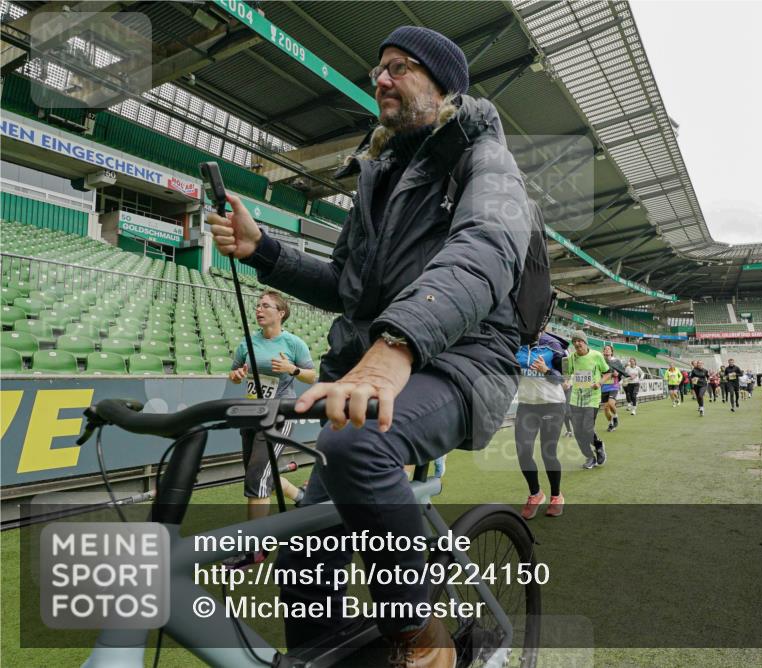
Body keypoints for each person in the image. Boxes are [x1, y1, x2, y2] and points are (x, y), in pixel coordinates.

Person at [210, 25, 529, 665]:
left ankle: (423, 637)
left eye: (400, 67)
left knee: (358, 440)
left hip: (461, 361)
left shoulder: (484, 156)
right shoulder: (377, 174)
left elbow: (486, 250)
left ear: (445, 86)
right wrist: (264, 251)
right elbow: (346, 286)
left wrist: (397, 345)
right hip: (381, 360)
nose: (381, 78)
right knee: (304, 539)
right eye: (378, 68)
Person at [227, 291, 316, 567]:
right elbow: (233, 375)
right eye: (257, 305)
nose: (259, 309)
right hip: (251, 414)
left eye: (266, 305)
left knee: (256, 478)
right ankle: (300, 496)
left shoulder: (293, 343)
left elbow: (314, 376)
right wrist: (237, 374)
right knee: (262, 474)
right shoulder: (247, 342)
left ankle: (255, 548)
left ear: (281, 313)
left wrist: (292, 369)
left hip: (278, 415)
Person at [515, 332, 568, 519]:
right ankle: (535, 493)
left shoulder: (553, 346)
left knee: (548, 453)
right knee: (523, 452)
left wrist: (546, 370)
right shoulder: (516, 344)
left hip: (551, 404)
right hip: (526, 406)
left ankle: (556, 496)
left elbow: (564, 379)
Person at [563, 331, 611, 470]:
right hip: (576, 399)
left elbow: (608, 373)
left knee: (587, 429)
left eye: (580, 341)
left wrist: (599, 383)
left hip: (592, 398)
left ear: (585, 342)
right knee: (578, 432)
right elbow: (567, 374)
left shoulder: (597, 355)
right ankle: (590, 457)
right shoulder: (571, 358)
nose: (577, 344)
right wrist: (566, 382)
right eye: (575, 341)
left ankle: (598, 445)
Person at [600, 344, 625, 432]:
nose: (607, 350)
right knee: (606, 409)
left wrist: (618, 374)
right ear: (603, 351)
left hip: (614, 385)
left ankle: (615, 416)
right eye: (605, 349)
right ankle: (610, 423)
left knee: (611, 404)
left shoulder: (616, 361)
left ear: (611, 351)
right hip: (604, 386)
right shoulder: (601, 361)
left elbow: (622, 372)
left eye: (608, 349)